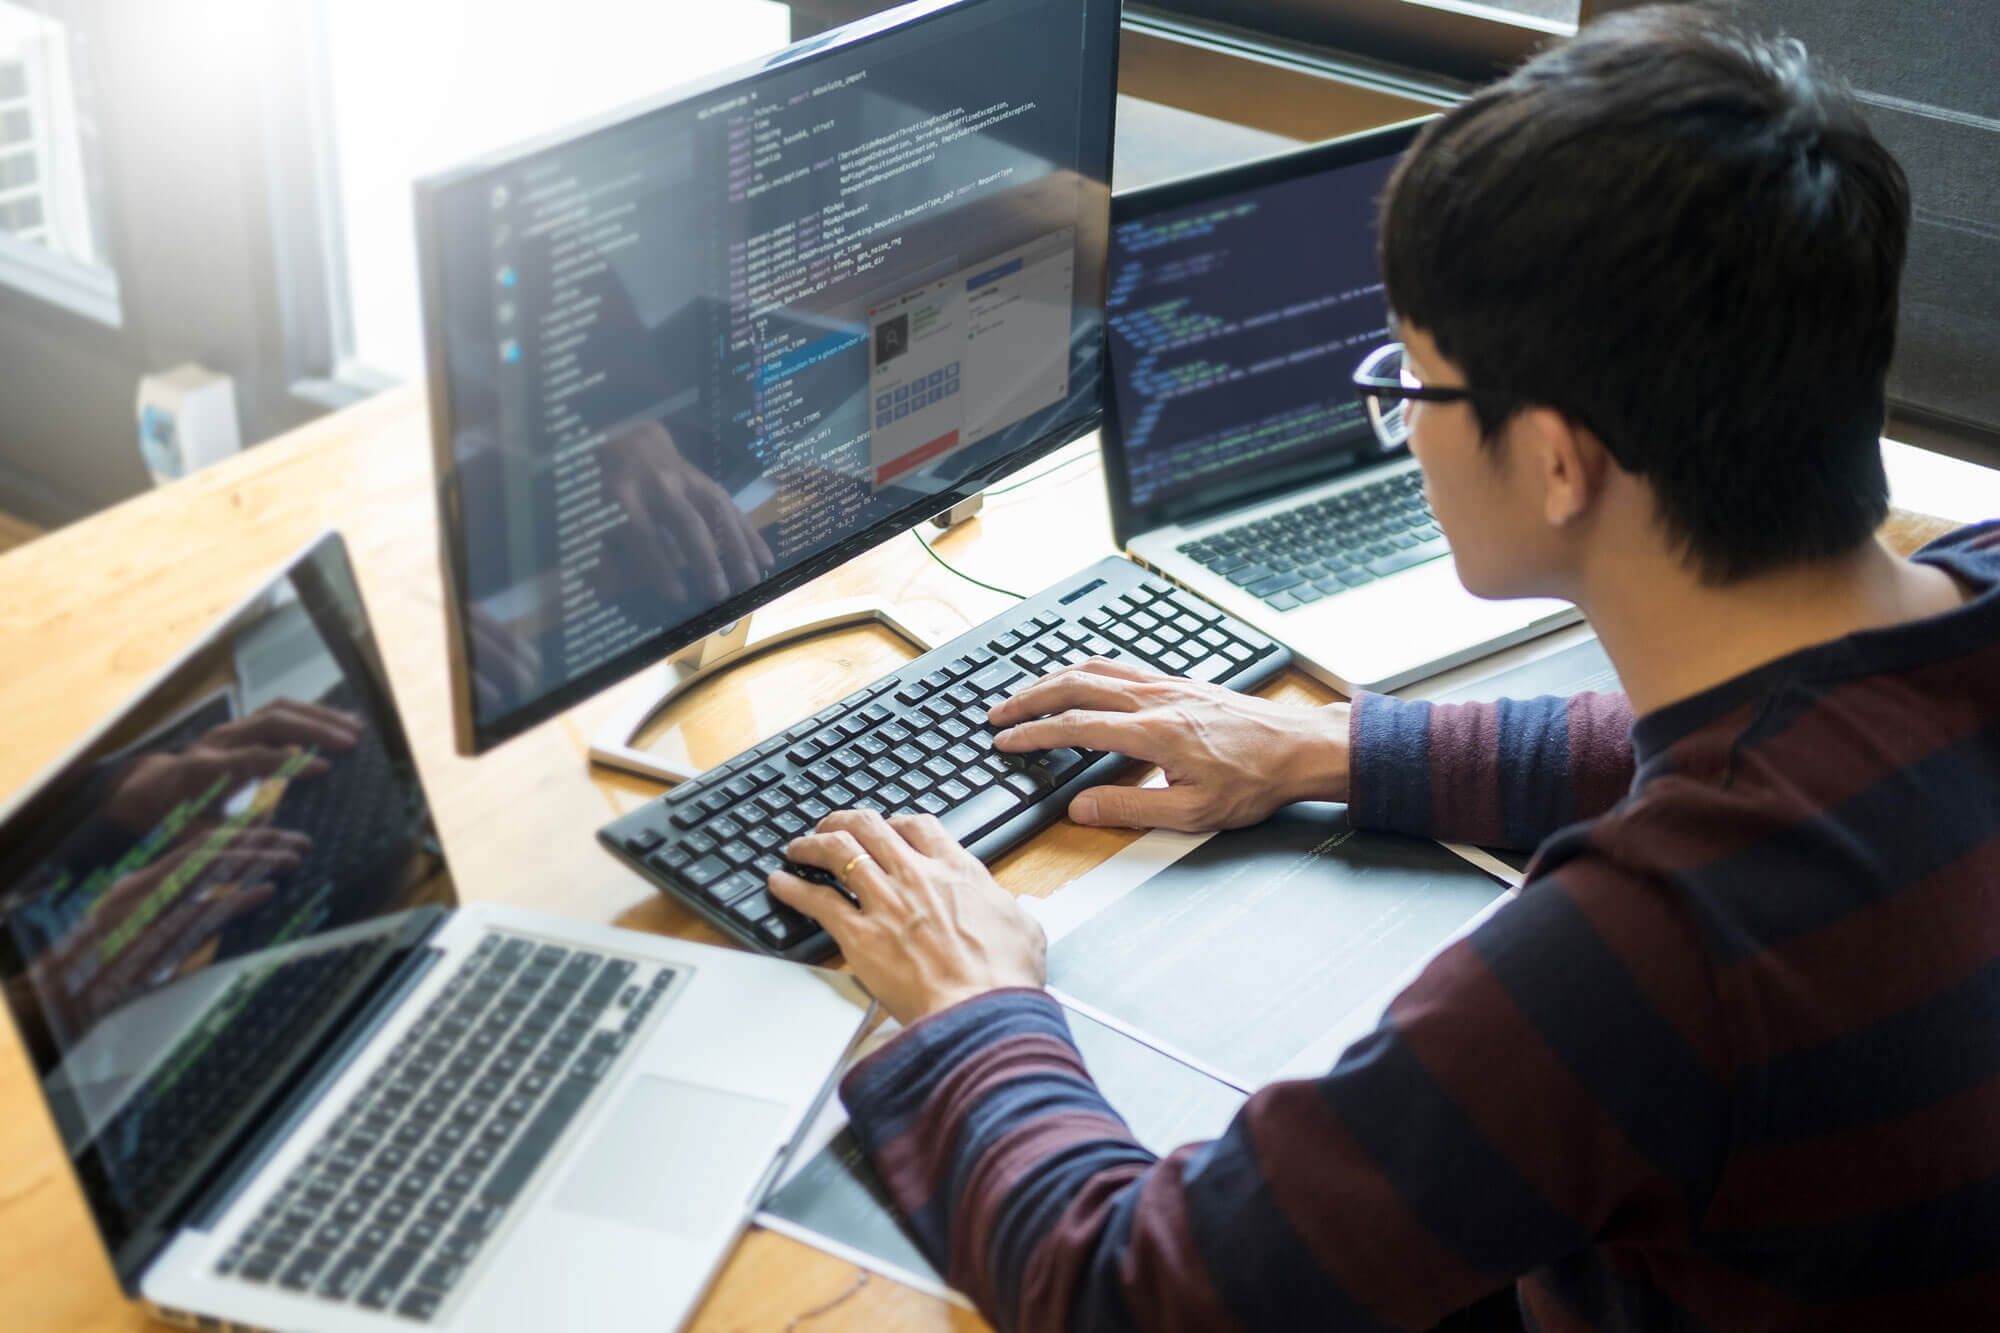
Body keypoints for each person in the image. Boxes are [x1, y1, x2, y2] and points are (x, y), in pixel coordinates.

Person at [766, 5, 2000, 1329]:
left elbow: (1134, 1292)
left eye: (1413, 385)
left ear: (1558, 461)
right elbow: (1759, 747)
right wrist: (1337, 747)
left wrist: (975, 999)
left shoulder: (1656, 945)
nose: (1401, 429)